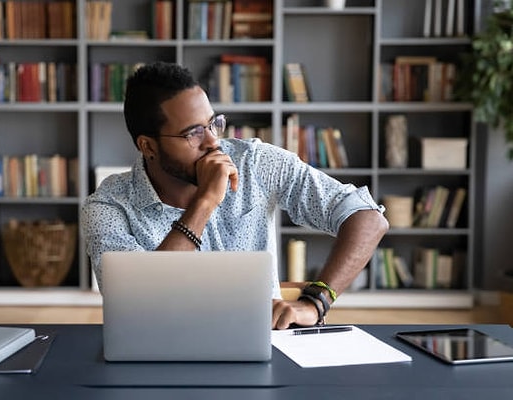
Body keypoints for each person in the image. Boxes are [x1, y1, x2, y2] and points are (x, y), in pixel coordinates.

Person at [81, 61, 389, 330]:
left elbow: (368, 218)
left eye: (213, 123)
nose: (214, 142)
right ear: (147, 146)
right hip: (163, 355)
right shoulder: (108, 207)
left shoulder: (254, 162)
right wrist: (205, 201)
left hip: (265, 342)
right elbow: (136, 305)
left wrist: (317, 301)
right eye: (193, 133)